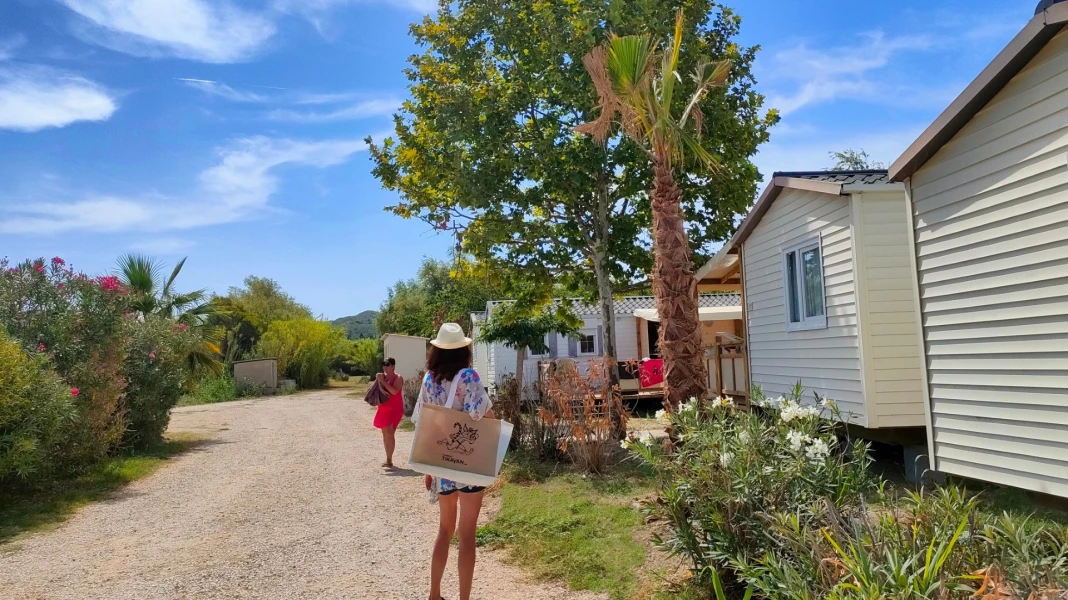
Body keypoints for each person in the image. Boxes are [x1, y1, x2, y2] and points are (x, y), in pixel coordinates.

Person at [414, 323, 494, 600]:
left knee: (445, 529)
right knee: (467, 533)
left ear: (436, 350)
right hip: (469, 465)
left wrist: (428, 468)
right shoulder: (469, 377)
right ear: (465, 349)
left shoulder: (428, 380)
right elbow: (484, 417)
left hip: (441, 463)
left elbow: (424, 423)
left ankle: (434, 594)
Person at [373, 358, 404, 469]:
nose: (385, 366)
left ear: (393, 366)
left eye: (387, 364)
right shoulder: (382, 377)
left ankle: (389, 460)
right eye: (383, 364)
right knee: (385, 434)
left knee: (390, 433)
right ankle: (388, 459)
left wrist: (382, 381)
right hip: (383, 408)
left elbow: (394, 391)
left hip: (394, 409)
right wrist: (379, 380)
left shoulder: (398, 378)